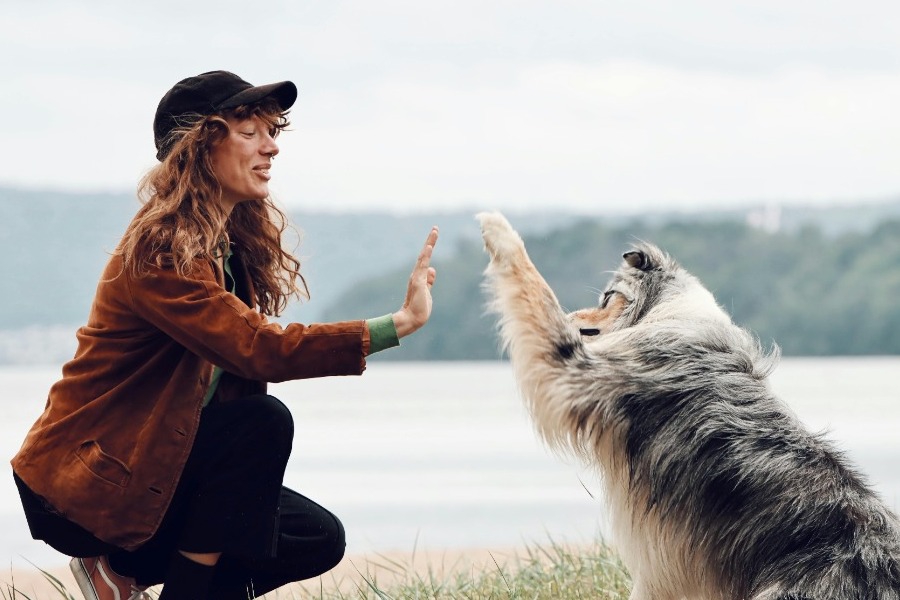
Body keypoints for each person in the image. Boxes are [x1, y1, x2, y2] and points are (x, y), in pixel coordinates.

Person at [10, 70, 439, 600]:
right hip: (86, 485)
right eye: (251, 132)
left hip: (157, 466)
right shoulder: (162, 249)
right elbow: (261, 350)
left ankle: (124, 576)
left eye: (273, 130)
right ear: (202, 145)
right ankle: (135, 572)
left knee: (314, 537)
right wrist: (397, 324)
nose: (272, 147)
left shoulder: (225, 248)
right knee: (260, 422)